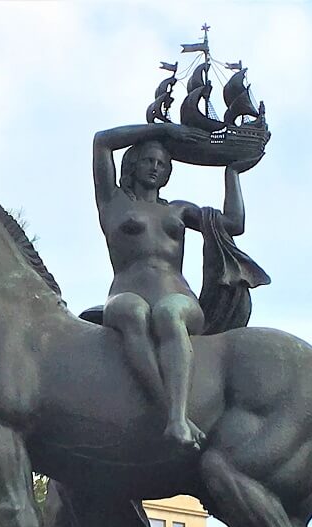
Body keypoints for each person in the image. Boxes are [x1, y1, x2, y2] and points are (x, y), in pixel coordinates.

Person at [92, 123, 251, 450]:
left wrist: (232, 172)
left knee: (168, 313)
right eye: (149, 160)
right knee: (132, 311)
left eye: (163, 164)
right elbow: (102, 142)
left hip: (178, 296)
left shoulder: (178, 209)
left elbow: (234, 224)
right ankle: (172, 415)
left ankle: (178, 415)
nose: (155, 168)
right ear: (133, 165)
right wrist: (163, 130)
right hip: (125, 292)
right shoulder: (112, 202)